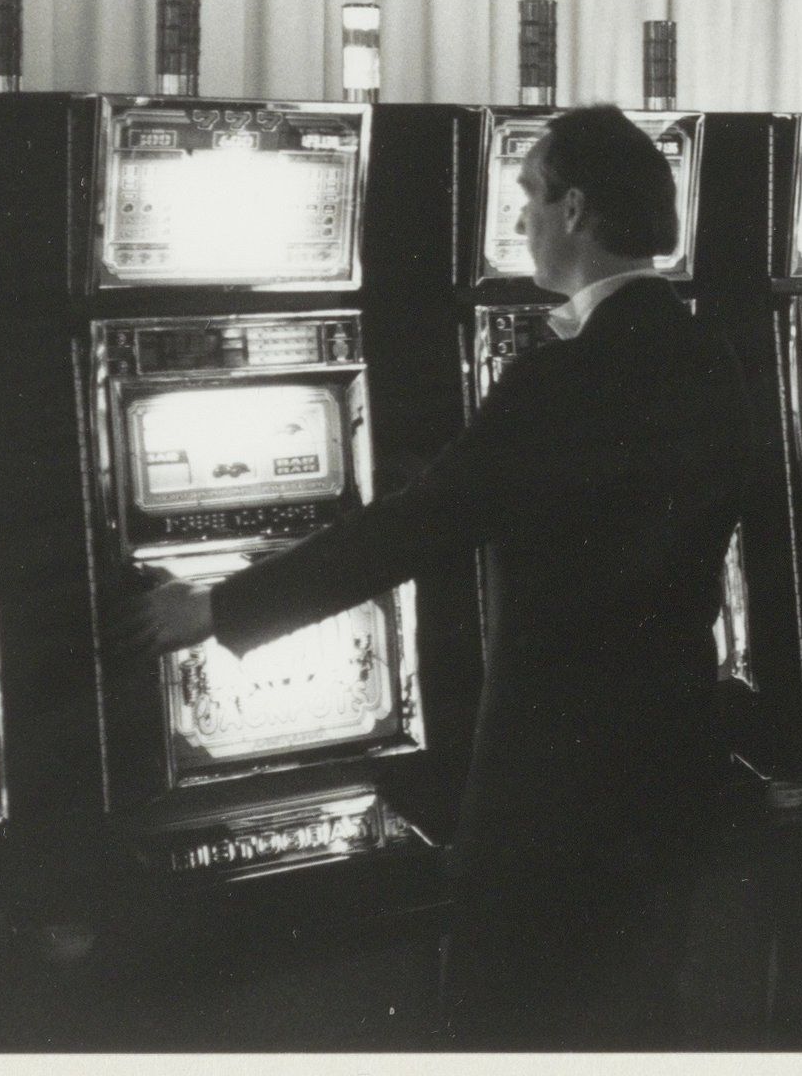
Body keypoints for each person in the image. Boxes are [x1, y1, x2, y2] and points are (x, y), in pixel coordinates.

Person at [117, 104, 758, 1050]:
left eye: (529, 195)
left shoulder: (560, 381)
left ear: (575, 208)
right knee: (632, 1017)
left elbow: (415, 529)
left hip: (555, 788)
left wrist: (218, 604)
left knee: (512, 1025)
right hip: (671, 762)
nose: (522, 220)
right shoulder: (714, 357)